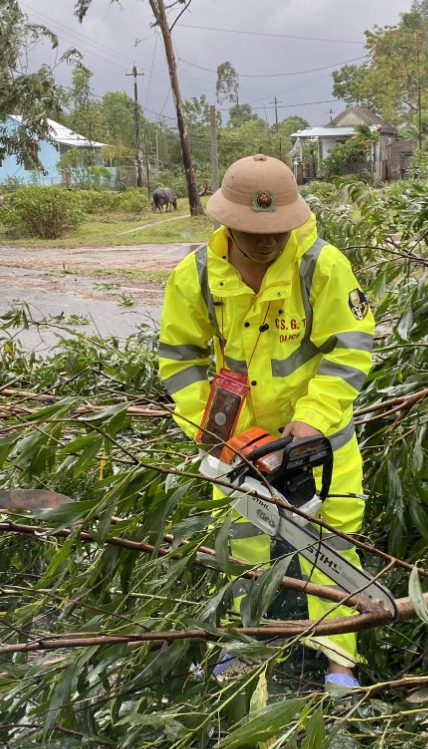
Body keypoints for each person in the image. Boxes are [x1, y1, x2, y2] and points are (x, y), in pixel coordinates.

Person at [158, 154, 375, 689]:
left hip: (319, 442)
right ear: (227, 222)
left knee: (332, 546)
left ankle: (339, 663)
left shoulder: (320, 266)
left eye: (277, 229)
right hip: (240, 445)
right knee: (243, 546)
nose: (268, 240)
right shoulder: (197, 276)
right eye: (255, 232)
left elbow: (349, 350)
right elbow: (180, 360)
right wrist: (218, 437)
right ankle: (248, 647)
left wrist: (311, 422)